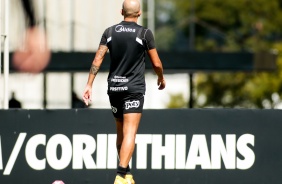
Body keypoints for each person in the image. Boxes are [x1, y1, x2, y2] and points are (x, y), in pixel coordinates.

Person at [82, 0, 166, 183]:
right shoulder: (145, 33)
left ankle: (127, 173)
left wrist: (89, 85)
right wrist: (160, 77)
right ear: (139, 13)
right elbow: (157, 63)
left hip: (114, 88)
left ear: (121, 12)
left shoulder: (109, 32)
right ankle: (120, 175)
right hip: (133, 89)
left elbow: (98, 59)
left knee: (120, 131)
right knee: (130, 133)